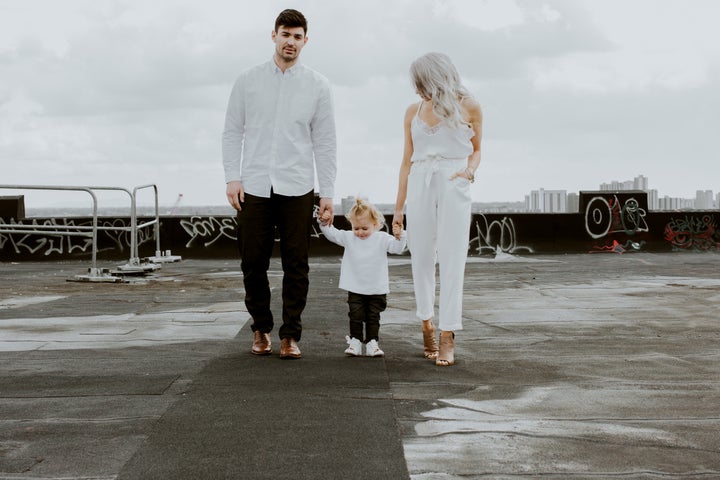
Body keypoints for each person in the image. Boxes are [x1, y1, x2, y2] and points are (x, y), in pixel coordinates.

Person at [222, 9, 337, 359]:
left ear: (305, 40)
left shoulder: (318, 85)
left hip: (298, 185)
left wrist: (327, 192)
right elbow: (232, 131)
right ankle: (260, 328)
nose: (291, 41)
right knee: (252, 262)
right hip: (254, 184)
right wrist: (232, 177)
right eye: (285, 34)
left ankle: (290, 334)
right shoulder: (248, 80)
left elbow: (325, 141)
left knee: (296, 264)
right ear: (273, 35)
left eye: (297, 36)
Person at [392, 52, 483, 367]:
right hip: (420, 181)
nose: (417, 91)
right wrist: (398, 210)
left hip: (453, 181)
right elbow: (406, 162)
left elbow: (478, 150)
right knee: (421, 256)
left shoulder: (469, 106)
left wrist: (469, 171)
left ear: (436, 79)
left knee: (453, 257)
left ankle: (448, 333)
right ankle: (426, 322)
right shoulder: (412, 111)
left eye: (421, 84)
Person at [319, 198, 407, 357]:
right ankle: (355, 342)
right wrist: (324, 223)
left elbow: (397, 248)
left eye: (364, 228)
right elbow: (333, 234)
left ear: (375, 224)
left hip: (376, 288)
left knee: (373, 317)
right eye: (356, 228)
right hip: (355, 287)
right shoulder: (349, 237)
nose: (360, 232)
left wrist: (400, 236)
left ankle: (373, 343)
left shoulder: (381, 238)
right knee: (355, 315)